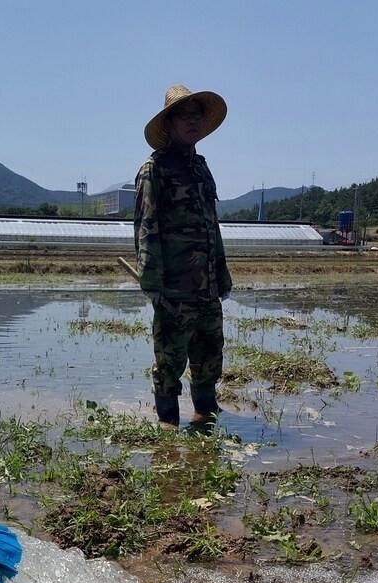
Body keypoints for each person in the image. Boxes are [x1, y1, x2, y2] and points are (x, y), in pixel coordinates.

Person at [134, 84, 232, 429]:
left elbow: (212, 227)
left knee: (208, 361)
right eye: (184, 115)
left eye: (197, 116)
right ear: (169, 123)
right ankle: (168, 432)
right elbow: (147, 227)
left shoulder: (202, 169)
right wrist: (153, 285)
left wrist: (222, 276)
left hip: (207, 289)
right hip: (174, 289)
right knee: (169, 363)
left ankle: (205, 425)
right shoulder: (154, 170)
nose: (192, 122)